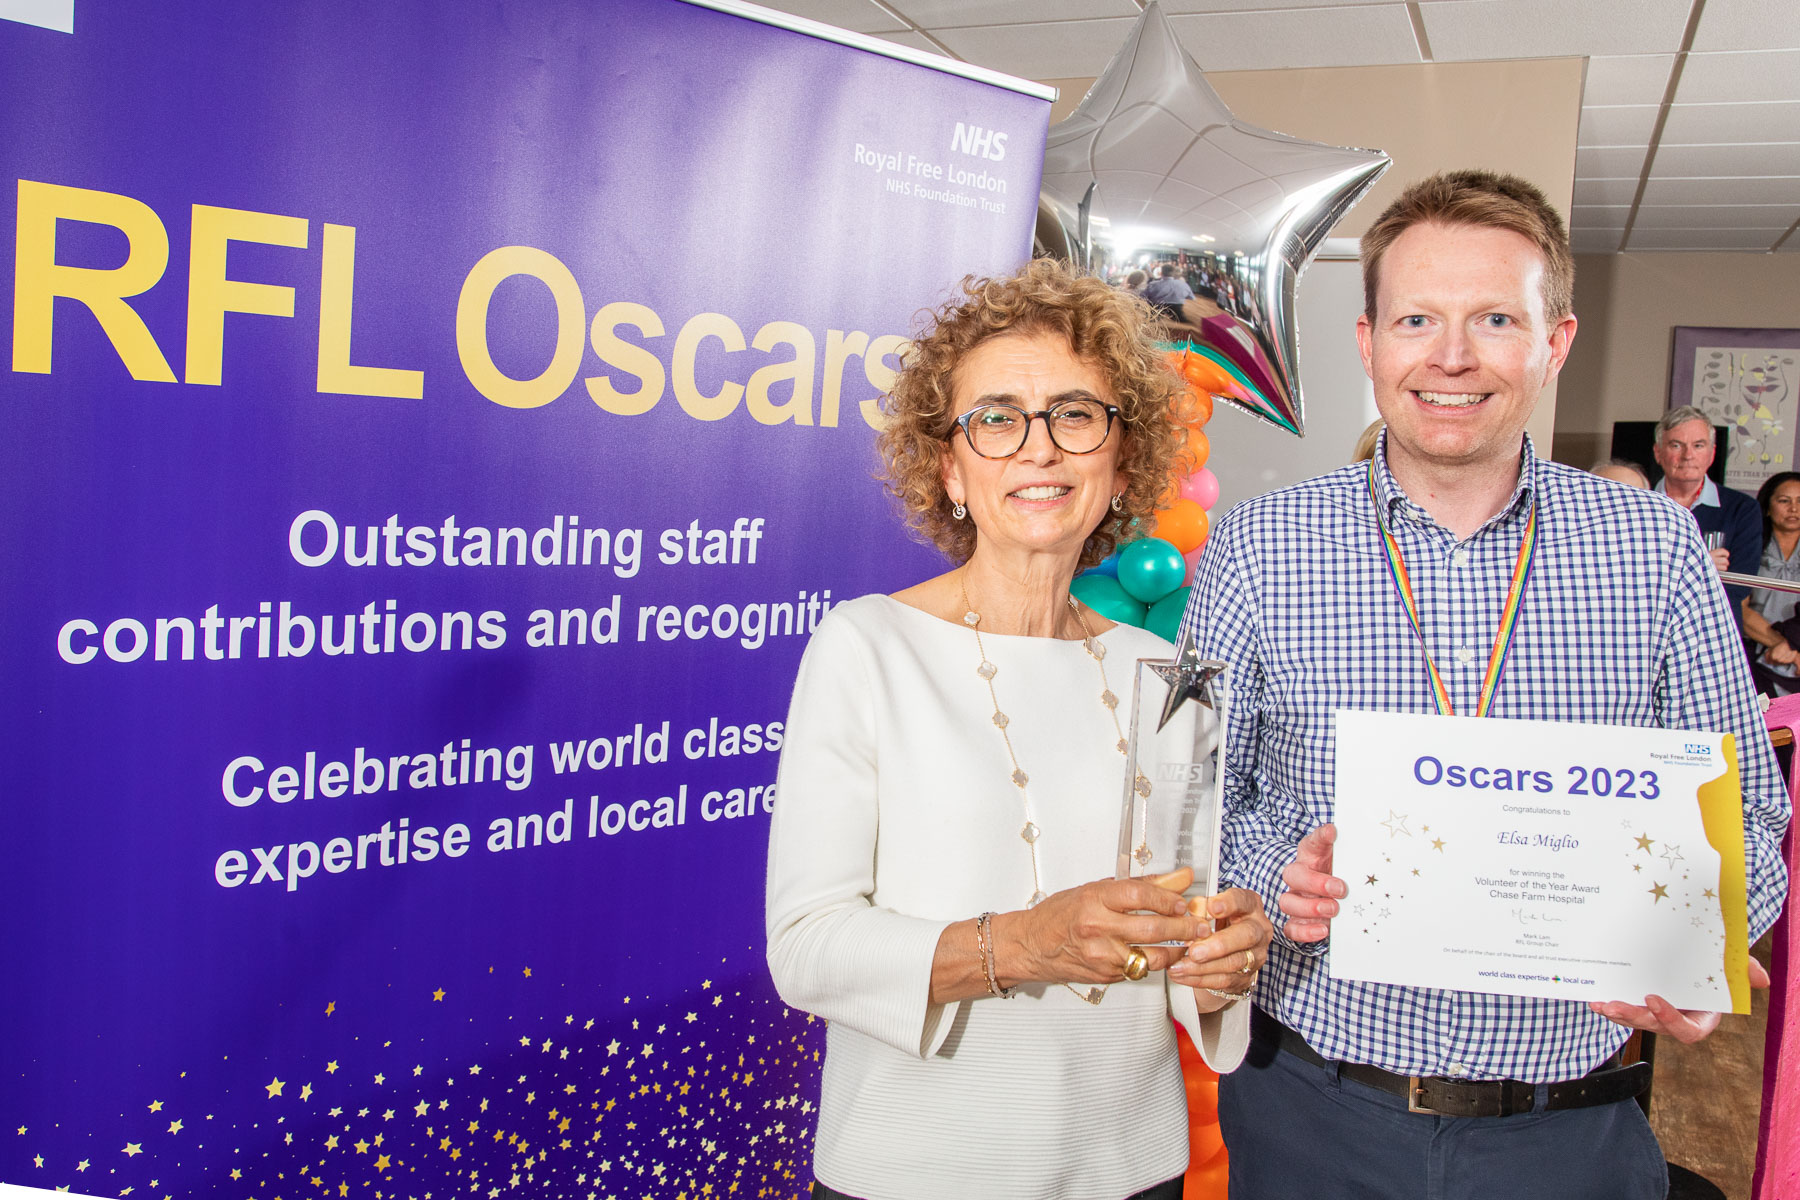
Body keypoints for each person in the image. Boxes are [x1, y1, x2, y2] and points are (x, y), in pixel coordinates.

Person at [1182, 170, 1790, 1199]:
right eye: (1418, 318)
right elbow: (1197, 804)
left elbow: (1753, 822)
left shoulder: (1657, 550)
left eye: (1495, 319)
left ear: (1554, 344)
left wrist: (1692, 943)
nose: (1451, 356)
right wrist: (1277, 868)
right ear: (1369, 342)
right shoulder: (1254, 548)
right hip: (1312, 1114)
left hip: (1568, 1131)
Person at [766, 259, 1273, 1200]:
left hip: (1133, 1166)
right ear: (950, 466)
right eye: (996, 419)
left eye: (1076, 415)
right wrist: (1026, 943)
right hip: (913, 1168)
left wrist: (1219, 962)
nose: (1038, 449)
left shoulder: (1178, 676)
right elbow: (807, 948)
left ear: (1122, 460)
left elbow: (1179, 949)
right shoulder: (866, 647)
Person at [1652, 405, 1762, 625]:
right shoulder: (1639, 504)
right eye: (1676, 445)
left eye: (1698, 445)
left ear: (1711, 454)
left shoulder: (1743, 509)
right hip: (1649, 629)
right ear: (1658, 453)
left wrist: (1665, 567)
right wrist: (1702, 563)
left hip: (1713, 628)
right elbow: (1625, 579)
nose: (1688, 455)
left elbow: (1737, 587)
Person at [1743, 470, 1800, 697]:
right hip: (1754, 652)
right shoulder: (1748, 548)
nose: (1793, 509)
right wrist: (1789, 649)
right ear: (1767, 506)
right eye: (1784, 501)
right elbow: (1738, 606)